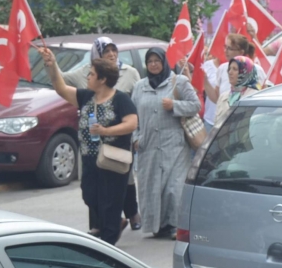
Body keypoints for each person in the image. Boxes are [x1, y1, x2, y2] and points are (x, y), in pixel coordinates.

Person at [37, 47, 138, 245]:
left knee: (111, 203)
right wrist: (52, 65)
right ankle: (114, 225)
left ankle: (109, 245)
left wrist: (105, 131)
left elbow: (132, 123)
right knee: (90, 196)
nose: (88, 77)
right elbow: (61, 88)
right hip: (90, 161)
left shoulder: (120, 99)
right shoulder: (85, 97)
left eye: (91, 74)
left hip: (112, 162)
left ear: (102, 79)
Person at [131, 48, 200, 240]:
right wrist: (135, 137)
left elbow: (196, 105)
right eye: (150, 61)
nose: (153, 64)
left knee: (174, 187)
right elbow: (133, 115)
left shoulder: (178, 81)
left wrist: (175, 106)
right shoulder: (139, 86)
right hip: (148, 146)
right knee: (152, 187)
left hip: (174, 145)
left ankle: (174, 225)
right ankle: (157, 225)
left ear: (164, 62)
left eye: (157, 60)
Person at [203, 33, 248, 130]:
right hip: (219, 124)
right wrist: (205, 80)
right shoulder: (222, 68)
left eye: (230, 48)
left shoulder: (255, 70)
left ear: (241, 52)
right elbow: (216, 99)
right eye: (225, 47)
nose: (225, 51)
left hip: (241, 125)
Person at [214, 56, 262, 127]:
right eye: (229, 68)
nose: (230, 72)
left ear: (245, 72)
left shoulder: (255, 97)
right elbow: (216, 125)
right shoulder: (223, 97)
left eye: (235, 69)